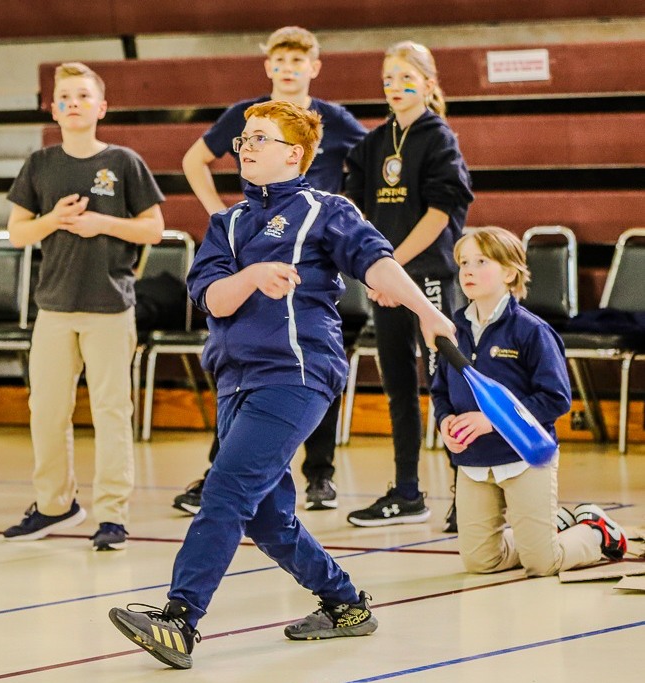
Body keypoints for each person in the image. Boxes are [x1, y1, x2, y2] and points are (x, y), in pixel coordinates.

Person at [109, 100, 456, 669]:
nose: (244, 147)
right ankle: (345, 604)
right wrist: (251, 276)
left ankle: (179, 620)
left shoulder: (326, 209)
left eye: (259, 139)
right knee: (267, 516)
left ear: (294, 154)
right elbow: (214, 299)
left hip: (296, 373)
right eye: (243, 138)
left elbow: (377, 263)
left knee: (224, 489)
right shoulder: (226, 224)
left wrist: (425, 312)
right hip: (234, 381)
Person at [175, 26, 367, 514]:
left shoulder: (334, 120)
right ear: (268, 66)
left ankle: (320, 476)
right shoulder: (249, 115)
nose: (288, 68)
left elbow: (369, 163)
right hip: (257, 250)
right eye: (280, 61)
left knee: (312, 363)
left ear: (313, 67)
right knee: (241, 357)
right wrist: (215, 209)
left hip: (314, 259)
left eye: (298, 61)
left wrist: (353, 216)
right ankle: (222, 470)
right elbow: (194, 158)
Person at [2, 62, 165, 551]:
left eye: (82, 96)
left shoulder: (123, 162)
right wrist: (52, 219)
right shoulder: (39, 164)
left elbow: (153, 228)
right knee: (46, 411)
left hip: (110, 308)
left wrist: (103, 224)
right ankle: (55, 505)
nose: (73, 103)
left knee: (112, 412)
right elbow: (16, 233)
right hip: (53, 307)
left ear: (101, 107)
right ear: (53, 109)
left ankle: (112, 516)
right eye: (65, 97)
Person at [431, 227, 627, 577]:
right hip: (474, 461)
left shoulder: (531, 330)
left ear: (509, 272)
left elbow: (555, 398)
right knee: (480, 562)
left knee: (543, 563)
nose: (468, 270)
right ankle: (547, 529)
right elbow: (440, 390)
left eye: (480, 261)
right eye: (463, 263)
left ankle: (597, 532)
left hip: (525, 458)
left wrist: (493, 420)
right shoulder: (451, 330)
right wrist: (445, 420)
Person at [344, 41, 473, 530]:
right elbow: (353, 206)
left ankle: (468, 493)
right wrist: (373, 267)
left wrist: (390, 262)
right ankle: (406, 492)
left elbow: (441, 214)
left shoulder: (439, 139)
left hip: (429, 279)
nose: (396, 87)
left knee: (446, 386)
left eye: (406, 78)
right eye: (388, 80)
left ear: (428, 82)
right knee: (398, 386)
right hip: (385, 284)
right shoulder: (374, 143)